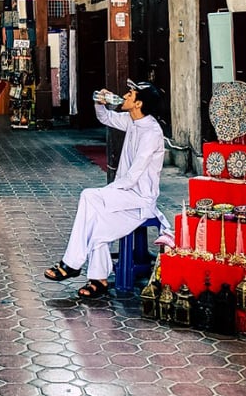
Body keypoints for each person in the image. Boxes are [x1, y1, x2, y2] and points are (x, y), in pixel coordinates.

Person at [43, 79, 174, 299]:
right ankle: (98, 279)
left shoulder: (151, 132)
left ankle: (72, 263)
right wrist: (99, 102)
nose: (125, 95)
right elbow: (106, 117)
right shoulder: (133, 121)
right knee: (96, 224)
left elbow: (134, 175)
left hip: (140, 199)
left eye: (131, 94)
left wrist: (109, 192)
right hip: (124, 194)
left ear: (139, 103)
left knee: (90, 197)